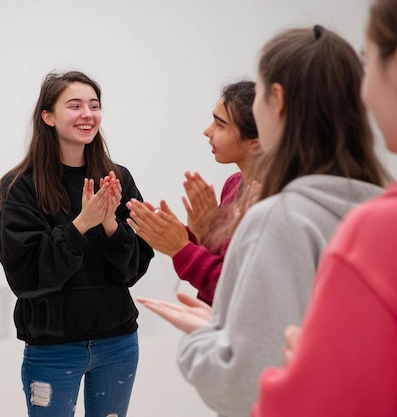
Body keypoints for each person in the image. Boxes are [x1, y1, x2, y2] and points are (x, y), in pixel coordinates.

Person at [136, 25, 390, 417]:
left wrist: (205, 334)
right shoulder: (379, 208)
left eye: (222, 123)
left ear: (277, 100)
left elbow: (242, 384)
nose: (209, 131)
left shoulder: (279, 215)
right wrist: (208, 237)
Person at [251, 2, 397, 415]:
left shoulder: (374, 226)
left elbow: (261, 387)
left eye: (370, 63)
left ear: (277, 100)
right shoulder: (373, 203)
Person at [0, 70, 154, 417]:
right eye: (75, 105)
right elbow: (26, 276)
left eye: (94, 106)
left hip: (118, 342)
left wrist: (110, 224)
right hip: (53, 348)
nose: (87, 114)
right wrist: (82, 224)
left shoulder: (118, 178)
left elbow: (134, 268)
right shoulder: (19, 187)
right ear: (47, 116)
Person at [127, 80, 261, 304]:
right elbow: (221, 258)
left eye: (220, 125)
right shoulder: (233, 184)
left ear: (254, 142)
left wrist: (180, 248)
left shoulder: (272, 199)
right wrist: (194, 235)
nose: (207, 131)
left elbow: (242, 292)